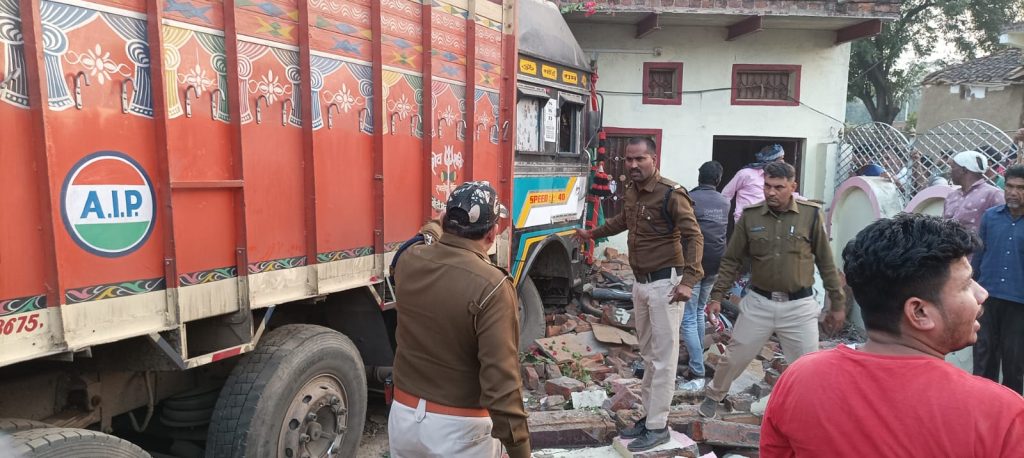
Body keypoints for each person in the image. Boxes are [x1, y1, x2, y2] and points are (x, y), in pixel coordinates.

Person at [760, 213, 1024, 457]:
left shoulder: (800, 378)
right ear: (919, 312)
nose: (982, 294)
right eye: (966, 284)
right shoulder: (1001, 415)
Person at [575, 137, 704, 452]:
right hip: (642, 284)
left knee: (664, 359)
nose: (633, 165)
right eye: (629, 160)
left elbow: (694, 236)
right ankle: (648, 419)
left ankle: (658, 427)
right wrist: (592, 233)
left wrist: (689, 280)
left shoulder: (671, 194)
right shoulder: (633, 191)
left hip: (666, 286)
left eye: (640, 159)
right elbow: (623, 221)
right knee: (648, 356)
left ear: (653, 159)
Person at [388, 181, 530, 458]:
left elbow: (424, 236)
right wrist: (520, 451)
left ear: (446, 221)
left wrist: (436, 224)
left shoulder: (408, 260)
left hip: (403, 417)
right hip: (461, 431)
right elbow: (501, 385)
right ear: (492, 233)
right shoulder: (492, 286)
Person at [699, 162, 846, 419]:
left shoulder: (810, 215)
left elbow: (825, 261)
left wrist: (837, 303)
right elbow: (732, 260)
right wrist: (717, 296)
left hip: (799, 307)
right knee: (734, 357)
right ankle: (713, 396)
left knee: (809, 364)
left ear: (792, 186)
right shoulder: (751, 216)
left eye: (778, 187)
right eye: (767, 186)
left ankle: (808, 413)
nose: (771, 192)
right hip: (759, 304)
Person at [972, 164, 1024, 394]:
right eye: (1009, 187)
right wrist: (972, 289)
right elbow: (979, 256)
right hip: (987, 298)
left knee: (1014, 363)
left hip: (1019, 304)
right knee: (983, 359)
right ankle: (981, 406)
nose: (1013, 192)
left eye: (1020, 188)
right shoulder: (991, 217)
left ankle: (1012, 411)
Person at [679, 161, 729, 389]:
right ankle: (697, 358)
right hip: (716, 263)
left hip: (693, 264)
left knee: (689, 317)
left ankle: (697, 370)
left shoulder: (689, 199)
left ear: (699, 176)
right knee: (699, 310)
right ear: (718, 180)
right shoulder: (725, 202)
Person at [722, 144, 786, 223]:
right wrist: (722, 219)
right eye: (781, 159)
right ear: (772, 160)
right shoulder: (746, 174)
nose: (783, 162)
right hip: (745, 222)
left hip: (768, 222)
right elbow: (726, 195)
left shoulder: (778, 178)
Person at [944, 150, 1004, 233]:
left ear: (964, 170)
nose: (949, 172)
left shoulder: (993, 194)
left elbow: (1002, 226)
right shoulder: (951, 196)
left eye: (953, 167)